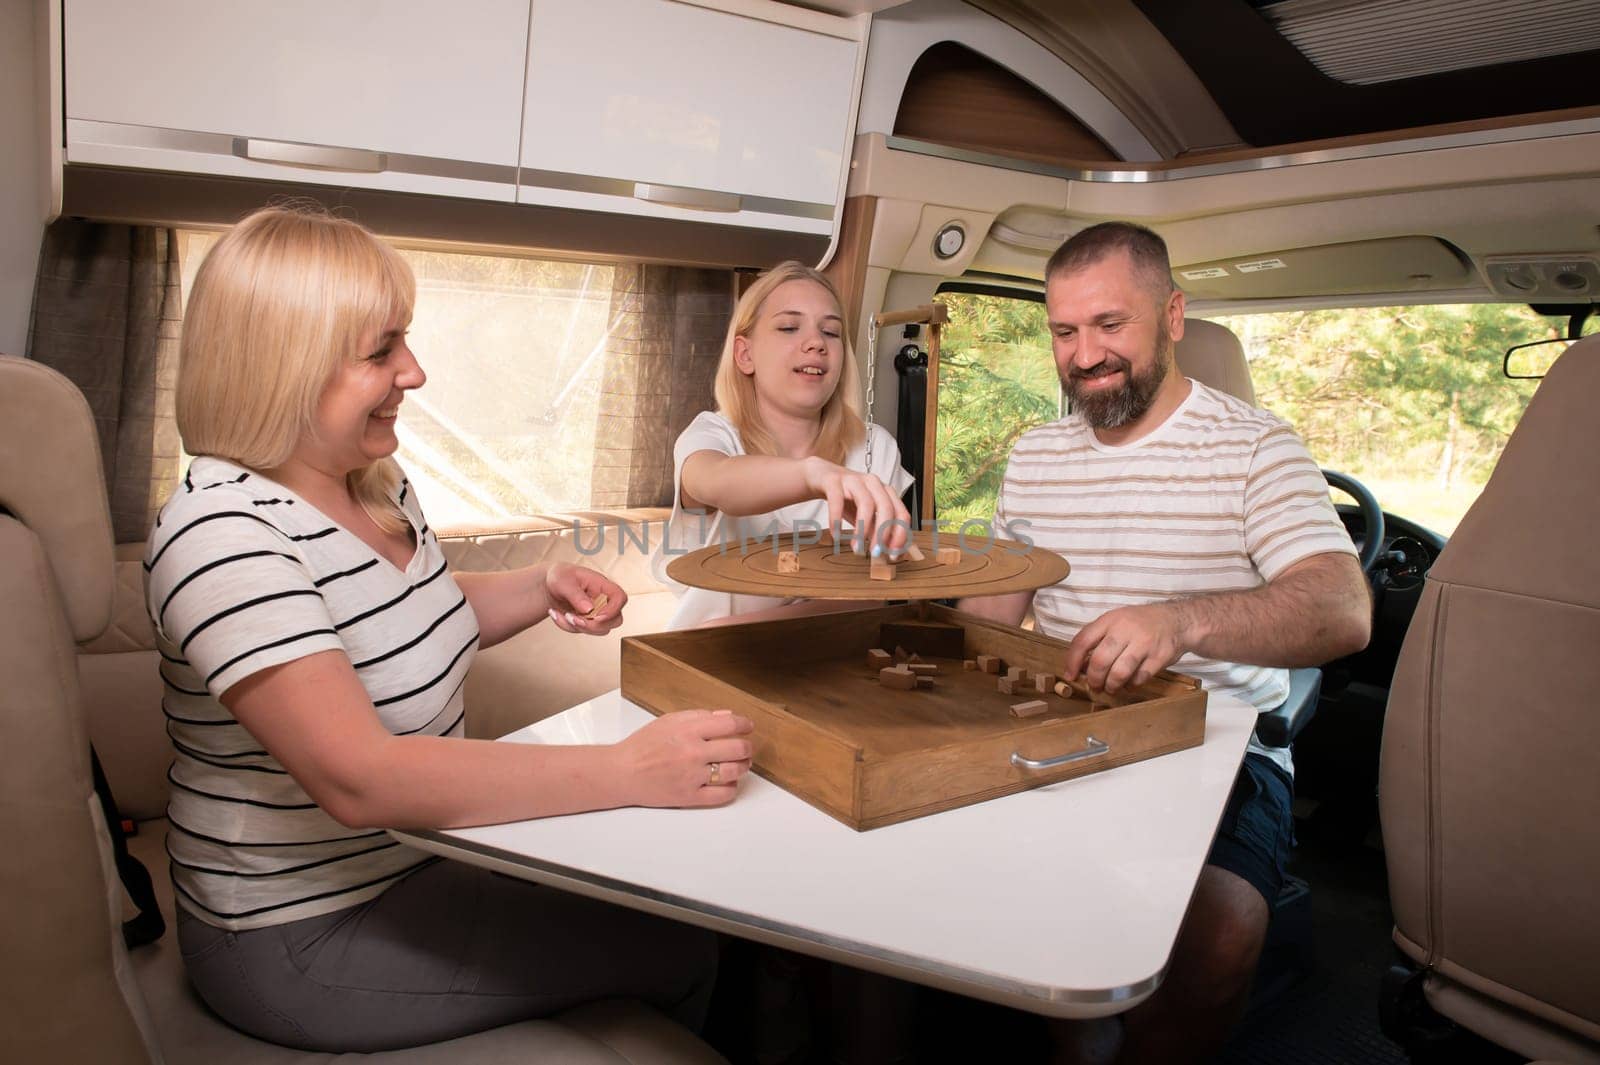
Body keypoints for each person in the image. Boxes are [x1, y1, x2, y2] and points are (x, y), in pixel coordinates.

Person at [145, 205, 754, 1053]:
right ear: (285, 365)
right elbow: (362, 779)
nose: (416, 371)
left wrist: (539, 585)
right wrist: (626, 768)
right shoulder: (220, 534)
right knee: (681, 939)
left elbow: (408, 608)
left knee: (668, 889)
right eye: (381, 349)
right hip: (296, 935)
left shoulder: (371, 481)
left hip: (414, 865)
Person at [958, 221, 1371, 1065]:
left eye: (1111, 325)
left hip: (1219, 744)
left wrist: (1179, 620)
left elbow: (1342, 609)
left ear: (1173, 314)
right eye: (1064, 332)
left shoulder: (1257, 446)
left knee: (1222, 932)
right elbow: (990, 613)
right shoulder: (1035, 455)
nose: (1084, 355)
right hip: (1059, 728)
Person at [652, 261, 915, 630]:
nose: (816, 343)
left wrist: (743, 630)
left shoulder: (875, 447)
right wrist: (814, 474)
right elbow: (714, 482)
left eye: (831, 332)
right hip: (706, 657)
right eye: (789, 327)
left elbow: (866, 593)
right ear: (745, 355)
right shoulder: (711, 435)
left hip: (830, 657)